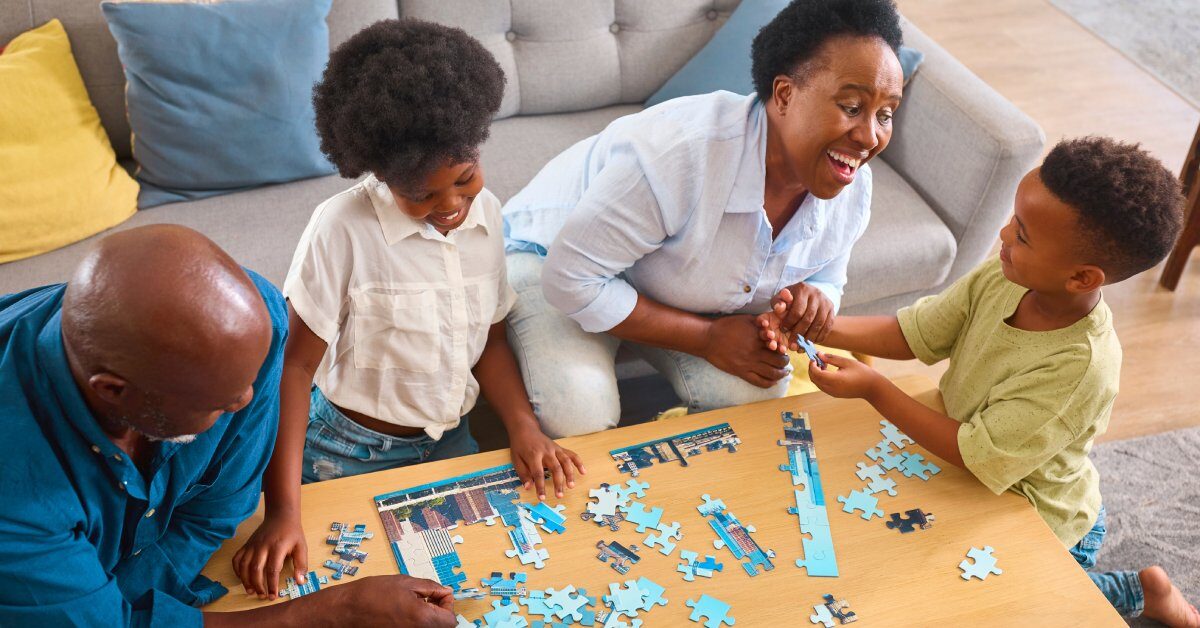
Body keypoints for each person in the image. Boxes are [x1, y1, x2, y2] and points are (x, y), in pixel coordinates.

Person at [764, 137, 1198, 627]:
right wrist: (814, 324)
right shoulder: (1004, 275)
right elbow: (914, 333)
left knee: (992, 607)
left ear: (1081, 277)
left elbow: (975, 451)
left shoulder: (1080, 368)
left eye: (1024, 234)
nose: (1003, 233)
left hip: (1038, 511)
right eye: (1014, 219)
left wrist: (875, 389)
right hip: (967, 465)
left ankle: (1138, 590)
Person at [233, 20, 584, 600]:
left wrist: (525, 427)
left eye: (465, 180)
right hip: (344, 453)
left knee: (481, 590)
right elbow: (291, 371)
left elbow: (489, 337)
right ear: (380, 173)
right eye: (421, 195)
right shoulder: (340, 229)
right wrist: (282, 511)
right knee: (348, 597)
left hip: (451, 441)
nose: (450, 206)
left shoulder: (488, 213)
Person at [0, 225, 459, 626]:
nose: (247, 400)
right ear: (114, 391)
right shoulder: (16, 497)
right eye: (217, 404)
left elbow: (215, 514)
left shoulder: (248, 329)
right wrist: (337, 612)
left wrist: (123, 601)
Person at [501, 0, 906, 437]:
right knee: (578, 416)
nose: (869, 136)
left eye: (885, 114)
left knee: (759, 392)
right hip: (552, 259)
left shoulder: (850, 183)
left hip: (666, 289)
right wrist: (706, 339)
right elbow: (569, 280)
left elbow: (828, 276)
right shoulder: (679, 157)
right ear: (785, 95)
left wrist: (812, 302)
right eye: (851, 106)